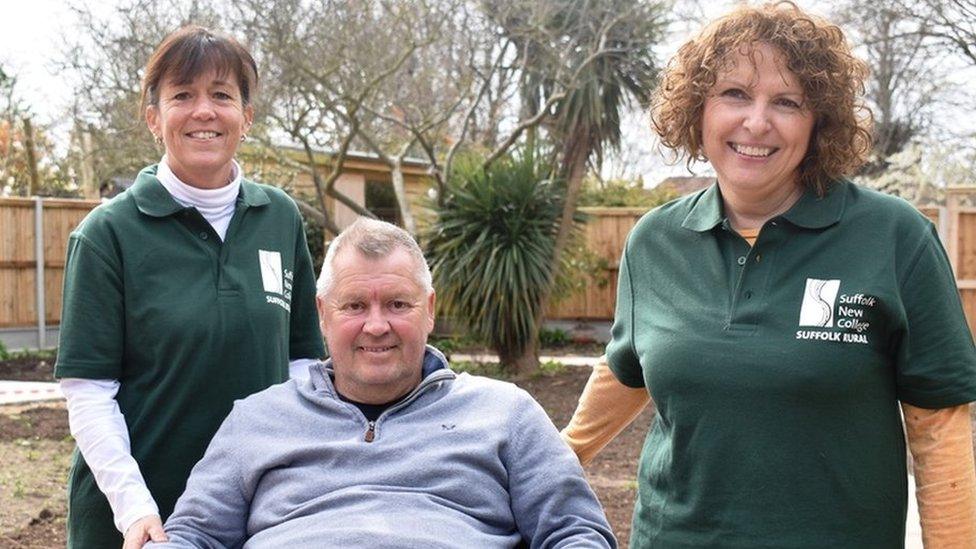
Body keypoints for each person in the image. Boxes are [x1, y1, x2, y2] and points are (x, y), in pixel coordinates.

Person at [561, 2, 976, 547]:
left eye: (787, 102)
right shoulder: (654, 241)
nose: (756, 122)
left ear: (818, 124)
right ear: (699, 110)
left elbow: (938, 427)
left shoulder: (894, 237)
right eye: (734, 94)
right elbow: (625, 369)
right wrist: (554, 461)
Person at [142, 217, 616, 548]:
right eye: (354, 306)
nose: (376, 325)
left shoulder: (505, 413)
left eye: (397, 304)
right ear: (323, 315)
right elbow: (193, 536)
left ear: (429, 310)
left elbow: (576, 532)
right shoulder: (257, 419)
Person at [54, 26, 325, 549]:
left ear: (246, 117)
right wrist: (134, 507)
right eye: (182, 95)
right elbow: (88, 393)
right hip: (138, 521)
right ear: (154, 118)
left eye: (222, 95)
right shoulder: (108, 234)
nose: (204, 111)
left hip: (254, 512)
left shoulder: (280, 217)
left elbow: (301, 365)